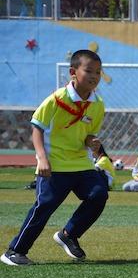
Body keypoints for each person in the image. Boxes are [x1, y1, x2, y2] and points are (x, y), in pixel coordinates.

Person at [1, 50, 108, 266]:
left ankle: (69, 234)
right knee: (45, 206)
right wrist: (42, 159)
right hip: (54, 165)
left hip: (81, 164)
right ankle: (14, 251)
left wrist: (90, 142)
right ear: (73, 72)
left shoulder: (98, 104)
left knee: (99, 194)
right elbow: (37, 127)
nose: (94, 76)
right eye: (89, 70)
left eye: (98, 72)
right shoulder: (57, 99)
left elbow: (88, 134)